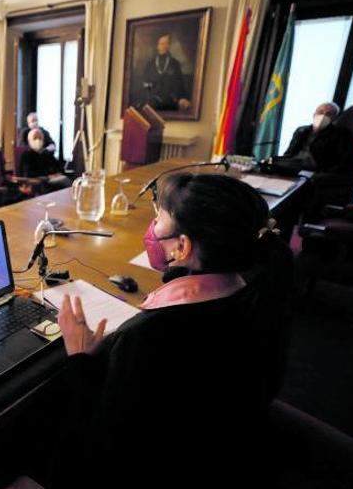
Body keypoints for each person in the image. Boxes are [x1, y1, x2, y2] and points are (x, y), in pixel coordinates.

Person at [28, 173, 291, 488]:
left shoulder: (148, 337)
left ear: (182, 246)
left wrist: (80, 358)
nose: (152, 228)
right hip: (223, 455)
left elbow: (97, 452)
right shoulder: (256, 296)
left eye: (159, 219)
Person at [278, 102, 353, 175]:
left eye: (328, 114)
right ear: (314, 114)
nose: (323, 116)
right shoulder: (301, 130)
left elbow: (346, 162)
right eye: (320, 112)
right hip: (293, 164)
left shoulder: (341, 135)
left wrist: (322, 173)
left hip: (315, 169)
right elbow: (289, 153)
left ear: (334, 118)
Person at [140, 33, 191, 111]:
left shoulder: (175, 64)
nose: (165, 46)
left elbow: (180, 84)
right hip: (153, 103)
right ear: (157, 46)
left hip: (171, 103)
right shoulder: (150, 64)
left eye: (167, 43)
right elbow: (145, 83)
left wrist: (180, 98)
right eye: (162, 43)